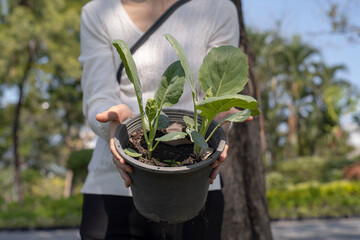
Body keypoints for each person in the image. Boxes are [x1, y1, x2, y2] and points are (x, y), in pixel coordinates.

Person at [78, 0, 248, 239]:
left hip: (193, 185)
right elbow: (99, 95)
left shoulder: (218, 8)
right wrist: (114, 121)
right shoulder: (97, 11)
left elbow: (219, 95)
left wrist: (221, 123)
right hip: (113, 185)